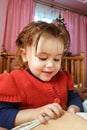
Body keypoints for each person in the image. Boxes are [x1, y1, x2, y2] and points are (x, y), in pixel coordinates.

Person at [0, 21, 83, 129]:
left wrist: (74, 107)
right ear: (24, 55)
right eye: (42, 58)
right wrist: (34, 113)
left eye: (57, 59)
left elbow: (73, 96)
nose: (50, 65)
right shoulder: (14, 81)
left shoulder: (63, 77)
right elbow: (2, 113)